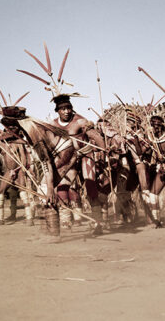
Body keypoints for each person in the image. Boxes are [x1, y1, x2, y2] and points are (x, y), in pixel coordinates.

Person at [51, 94, 106, 233]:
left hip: (86, 155)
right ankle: (65, 222)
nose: (66, 111)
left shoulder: (80, 121)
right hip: (69, 159)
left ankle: (97, 223)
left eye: (68, 108)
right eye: (62, 109)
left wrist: (104, 151)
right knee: (62, 187)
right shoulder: (52, 124)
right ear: (57, 110)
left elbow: (95, 136)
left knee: (91, 187)